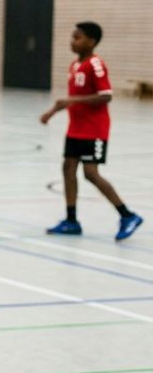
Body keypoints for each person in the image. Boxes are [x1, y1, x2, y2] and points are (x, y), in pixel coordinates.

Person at [40, 22, 142, 240]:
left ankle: (127, 215)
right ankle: (71, 220)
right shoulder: (75, 65)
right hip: (75, 128)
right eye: (72, 37)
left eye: (77, 37)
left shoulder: (96, 65)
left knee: (90, 173)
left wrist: (71, 100)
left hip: (94, 130)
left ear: (91, 41)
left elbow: (106, 95)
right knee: (68, 168)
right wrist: (52, 112)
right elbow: (72, 100)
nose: (72, 41)